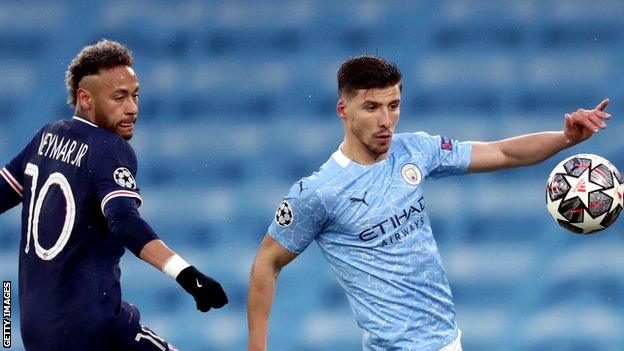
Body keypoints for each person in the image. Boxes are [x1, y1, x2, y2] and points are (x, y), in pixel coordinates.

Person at [247, 55, 612, 351]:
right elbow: (267, 263)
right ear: (344, 110)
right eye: (372, 107)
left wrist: (565, 138)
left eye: (394, 105)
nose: (386, 120)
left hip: (448, 341)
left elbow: (501, 151)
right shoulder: (319, 192)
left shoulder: (413, 150)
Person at [0, 39, 228, 351]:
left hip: (36, 330)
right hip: (92, 327)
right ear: (85, 98)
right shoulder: (109, 149)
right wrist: (187, 274)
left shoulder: (45, 137)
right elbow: (123, 220)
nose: (132, 108)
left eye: (135, 96)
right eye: (119, 97)